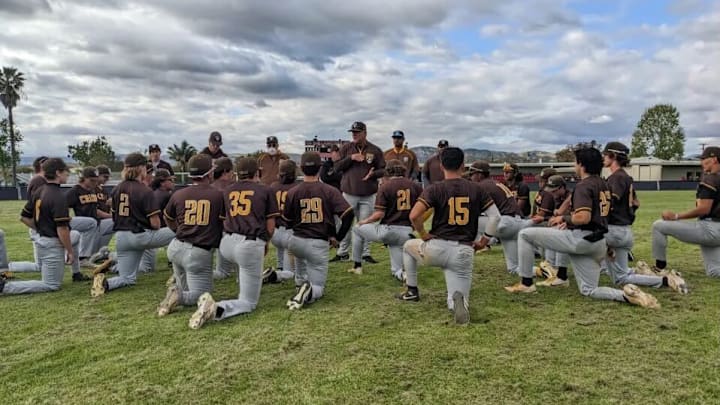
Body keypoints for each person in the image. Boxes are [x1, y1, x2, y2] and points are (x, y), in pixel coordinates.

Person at [505, 146, 660, 309]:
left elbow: (583, 217)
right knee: (589, 290)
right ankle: (627, 296)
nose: (574, 165)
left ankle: (526, 283)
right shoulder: (603, 183)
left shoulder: (584, 185)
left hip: (582, 239)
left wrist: (562, 217)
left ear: (582, 164)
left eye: (575, 162)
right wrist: (570, 222)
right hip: (598, 241)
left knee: (524, 234)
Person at [398, 147, 501, 325]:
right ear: (463, 165)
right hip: (463, 249)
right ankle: (457, 304)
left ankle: (412, 291)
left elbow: (414, 215)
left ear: (441, 165)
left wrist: (423, 234)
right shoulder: (476, 189)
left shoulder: (435, 188)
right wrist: (484, 241)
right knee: (458, 296)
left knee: (408, 247)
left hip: (436, 248)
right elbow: (496, 217)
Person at [188, 157, 279, 329]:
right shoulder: (265, 190)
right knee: (248, 302)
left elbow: (223, 219)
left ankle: (240, 281)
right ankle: (217, 308)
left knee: (242, 266)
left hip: (227, 243)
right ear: (257, 172)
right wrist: (265, 241)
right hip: (248, 244)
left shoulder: (227, 190)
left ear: (238, 173)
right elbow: (271, 226)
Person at [601, 142, 687, 293]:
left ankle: (664, 280)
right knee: (619, 272)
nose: (603, 157)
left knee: (618, 277)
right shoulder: (626, 177)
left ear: (613, 156)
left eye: (605, 154)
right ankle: (660, 276)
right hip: (624, 230)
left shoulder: (616, 178)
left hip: (614, 230)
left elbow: (610, 203)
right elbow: (636, 203)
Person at [91, 153, 175, 297]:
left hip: (122, 238)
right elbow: (155, 225)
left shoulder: (117, 189)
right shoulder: (144, 190)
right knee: (181, 232)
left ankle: (106, 283)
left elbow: (114, 214)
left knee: (127, 279)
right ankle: (179, 275)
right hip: (140, 236)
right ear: (141, 168)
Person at [282, 151, 355, 310]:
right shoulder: (329, 190)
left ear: (301, 168)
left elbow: (286, 222)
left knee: (300, 259)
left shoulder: (292, 192)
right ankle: (308, 290)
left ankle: (300, 284)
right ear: (320, 167)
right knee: (318, 288)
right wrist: (337, 237)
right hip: (318, 242)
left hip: (297, 241)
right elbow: (349, 215)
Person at [157, 154, 224, 317]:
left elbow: (168, 217)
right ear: (209, 173)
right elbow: (224, 224)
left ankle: (177, 294)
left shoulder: (179, 194)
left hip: (176, 247)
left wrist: (178, 229)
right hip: (198, 252)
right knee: (201, 296)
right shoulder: (218, 195)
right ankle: (177, 296)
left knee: (186, 289)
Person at [1, 158, 81, 295]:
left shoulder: (40, 190)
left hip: (42, 240)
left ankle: (77, 273)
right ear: (57, 173)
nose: (67, 175)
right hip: (52, 243)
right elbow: (62, 229)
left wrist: (40, 228)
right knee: (51, 284)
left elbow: (24, 217)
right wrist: (70, 251)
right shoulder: (58, 196)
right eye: (65, 172)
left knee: (75, 236)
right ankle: (5, 287)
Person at [650, 146, 720, 278]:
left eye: (704, 159)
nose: (701, 162)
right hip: (716, 230)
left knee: (658, 225)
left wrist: (676, 216)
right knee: (714, 272)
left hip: (710, 229)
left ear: (714, 159)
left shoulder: (711, 178)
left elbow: (704, 209)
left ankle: (659, 267)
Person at [352, 159, 422, 280]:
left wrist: (364, 221)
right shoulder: (415, 186)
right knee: (397, 270)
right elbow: (423, 209)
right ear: (403, 170)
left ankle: (357, 265)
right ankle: (404, 274)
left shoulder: (385, 186)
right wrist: (417, 225)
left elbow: (379, 214)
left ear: (388, 171)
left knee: (356, 229)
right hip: (407, 232)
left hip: (389, 230)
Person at [467, 161, 536, 276]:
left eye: (471, 174)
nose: (470, 177)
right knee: (514, 269)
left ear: (479, 174)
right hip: (517, 224)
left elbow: (472, 211)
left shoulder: (482, 186)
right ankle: (542, 270)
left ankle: (477, 245)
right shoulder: (495, 183)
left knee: (468, 218)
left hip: (505, 223)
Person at [330, 121, 385, 264]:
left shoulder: (375, 150)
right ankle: (342, 252)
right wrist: (351, 158)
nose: (354, 134)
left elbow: (383, 170)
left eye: (357, 132)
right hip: (349, 193)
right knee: (345, 224)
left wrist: (373, 174)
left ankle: (365, 254)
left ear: (365, 133)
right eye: (352, 132)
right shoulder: (346, 148)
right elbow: (336, 168)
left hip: (368, 194)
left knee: (365, 225)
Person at [66, 167, 113, 270]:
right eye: (92, 180)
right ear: (83, 178)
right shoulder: (75, 190)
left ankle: (96, 254)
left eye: (96, 180)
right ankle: (83, 258)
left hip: (95, 222)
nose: (94, 183)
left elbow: (95, 209)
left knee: (115, 222)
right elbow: (64, 207)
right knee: (91, 222)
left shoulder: (91, 190)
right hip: (83, 225)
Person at [265, 160, 300, 284]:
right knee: (291, 272)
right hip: (290, 232)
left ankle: (278, 269)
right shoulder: (297, 187)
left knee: (280, 251)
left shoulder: (273, 186)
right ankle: (275, 275)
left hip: (275, 232)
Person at [138, 168, 175, 274]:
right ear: (162, 182)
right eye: (170, 180)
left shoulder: (152, 193)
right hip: (153, 233)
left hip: (143, 232)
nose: (173, 182)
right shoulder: (166, 195)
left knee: (146, 268)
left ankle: (111, 258)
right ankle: (174, 260)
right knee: (181, 231)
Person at [210, 157, 238, 280]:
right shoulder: (233, 188)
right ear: (226, 171)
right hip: (226, 234)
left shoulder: (209, 187)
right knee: (223, 272)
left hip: (203, 235)